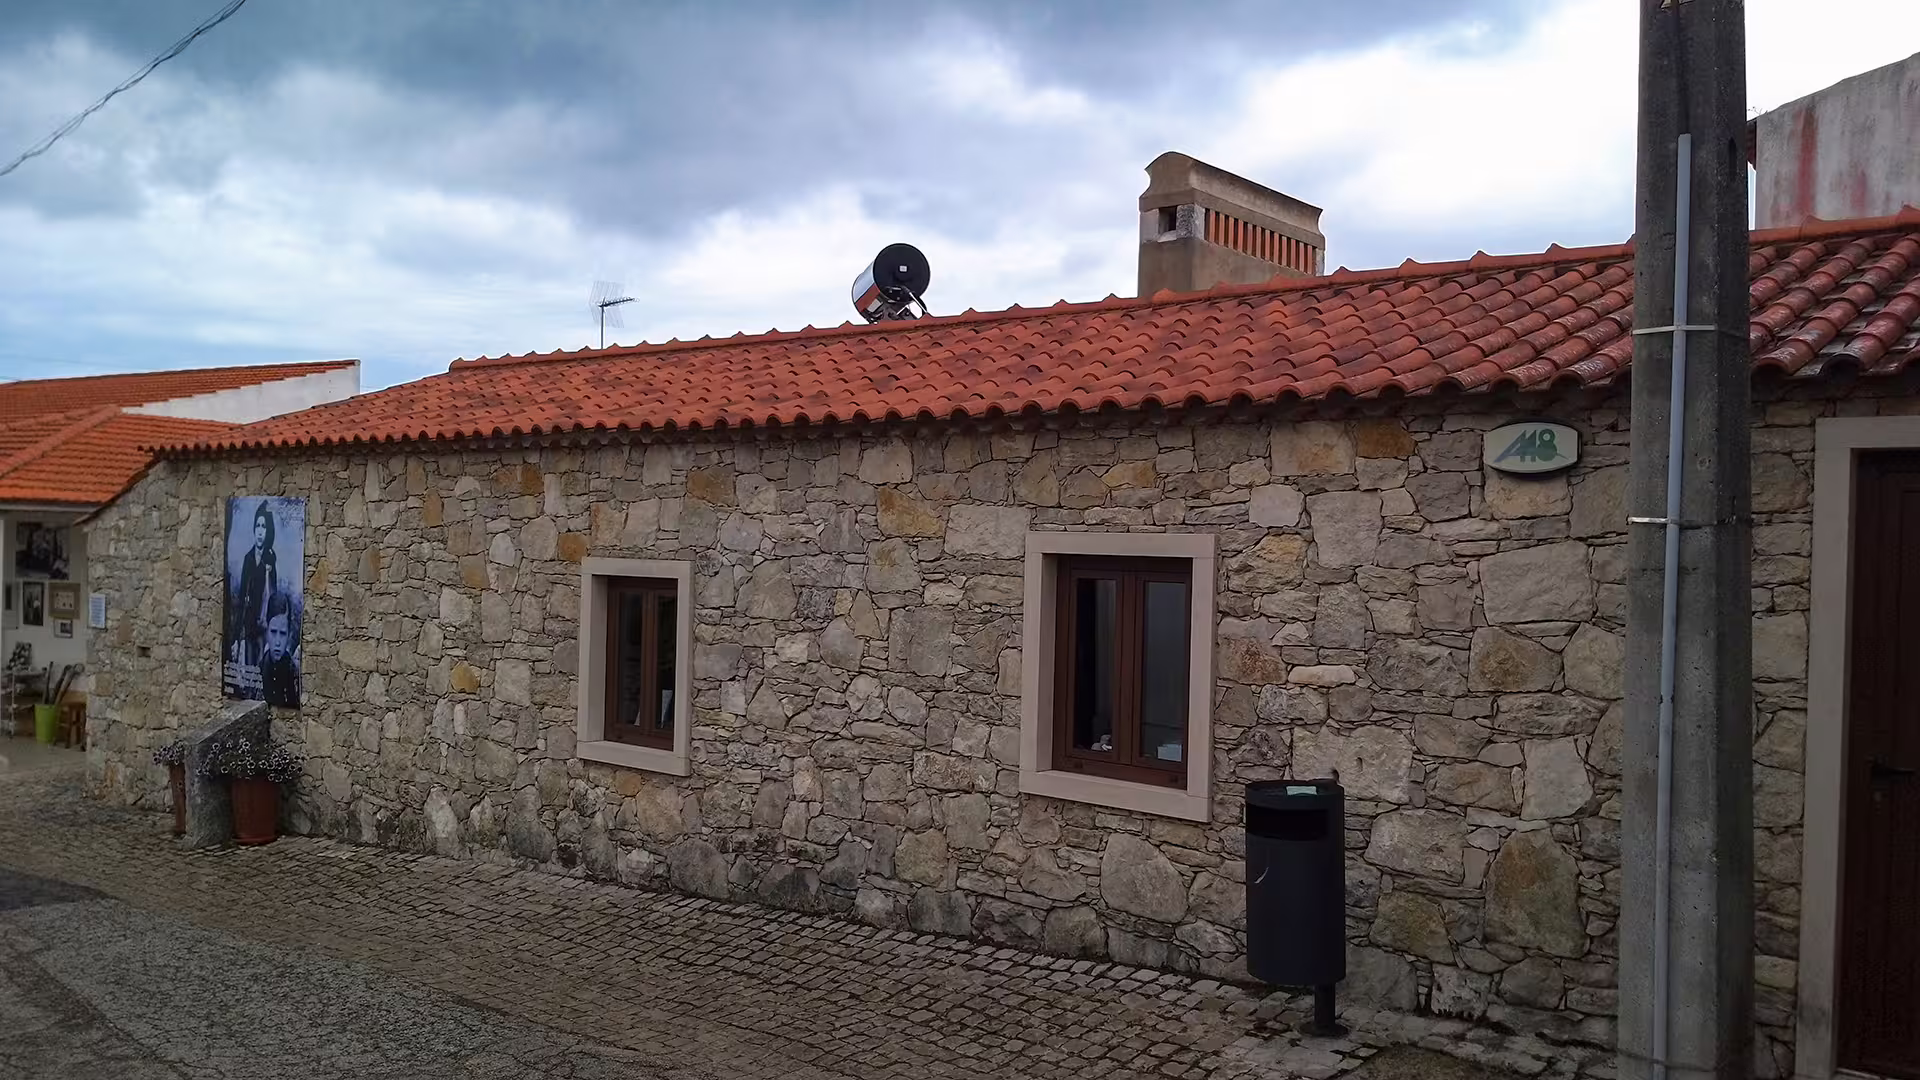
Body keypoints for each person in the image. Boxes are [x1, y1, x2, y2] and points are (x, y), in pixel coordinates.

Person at [229, 504, 278, 667]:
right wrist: (236, 635)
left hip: (263, 625)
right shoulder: (248, 558)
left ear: (268, 530)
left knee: (261, 668)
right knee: (249, 668)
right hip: (249, 625)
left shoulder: (270, 559)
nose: (260, 531)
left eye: (264, 526)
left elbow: (273, 594)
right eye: (257, 525)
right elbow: (242, 595)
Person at [259, 591, 301, 708]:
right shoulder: (259, 668)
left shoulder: (294, 673)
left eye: (282, 633)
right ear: (266, 631)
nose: (277, 642)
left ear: (289, 634)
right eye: (273, 632)